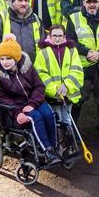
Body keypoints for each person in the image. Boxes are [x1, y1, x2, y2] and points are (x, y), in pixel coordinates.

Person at [0, 34, 61, 165]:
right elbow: (1, 98)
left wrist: (33, 103)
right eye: (2, 58)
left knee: (48, 112)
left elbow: (39, 86)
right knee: (36, 117)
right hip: (16, 107)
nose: (5, 62)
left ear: (16, 58)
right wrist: (17, 112)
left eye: (9, 58)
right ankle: (48, 150)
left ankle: (55, 146)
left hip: (34, 101)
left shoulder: (27, 67)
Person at [66, 0, 99, 134]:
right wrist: (86, 52)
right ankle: (73, 128)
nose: (92, 5)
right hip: (82, 65)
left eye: (94, 2)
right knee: (78, 98)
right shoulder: (74, 18)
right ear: (84, 3)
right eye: (89, 2)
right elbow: (71, 40)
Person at [34, 24, 83, 160]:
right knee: (57, 120)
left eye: (60, 36)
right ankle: (57, 146)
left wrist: (67, 85)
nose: (57, 38)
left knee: (67, 119)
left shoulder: (72, 50)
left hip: (68, 93)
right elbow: (40, 74)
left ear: (64, 37)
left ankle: (67, 146)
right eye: (54, 35)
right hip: (53, 96)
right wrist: (54, 89)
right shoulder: (42, 53)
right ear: (49, 37)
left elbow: (77, 70)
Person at [0, 0, 45, 64]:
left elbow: (44, 45)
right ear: (12, 2)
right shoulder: (2, 17)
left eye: (26, 0)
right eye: (20, 0)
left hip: (32, 69)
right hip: (7, 69)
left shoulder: (36, 19)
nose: (23, 4)